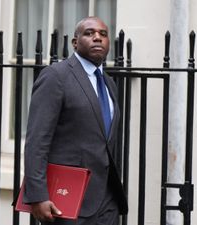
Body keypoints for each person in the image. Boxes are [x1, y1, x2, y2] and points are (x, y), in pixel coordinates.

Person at [23, 16, 128, 225]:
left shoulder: (108, 83)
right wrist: (37, 195)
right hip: (68, 202)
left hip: (107, 202)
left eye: (103, 34)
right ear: (75, 42)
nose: (97, 38)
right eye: (89, 33)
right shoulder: (56, 76)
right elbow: (37, 140)